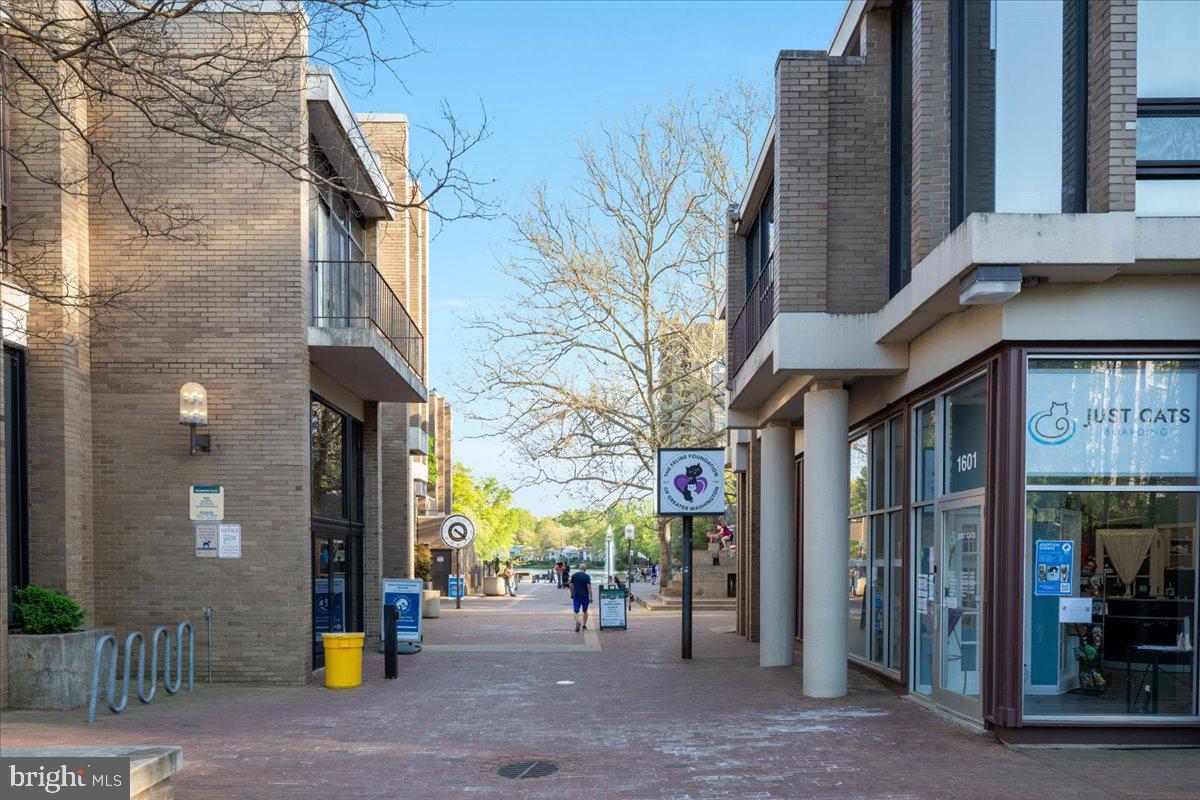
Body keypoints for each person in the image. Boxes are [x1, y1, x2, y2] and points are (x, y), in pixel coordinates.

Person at [569, 563, 593, 632]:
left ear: (579, 569)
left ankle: (577, 621)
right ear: (585, 569)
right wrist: (591, 597)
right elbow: (589, 587)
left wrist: (572, 593)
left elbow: (571, 586)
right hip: (585, 596)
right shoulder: (587, 576)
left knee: (575, 611)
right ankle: (584, 625)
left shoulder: (574, 576)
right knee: (585, 611)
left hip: (576, 596)